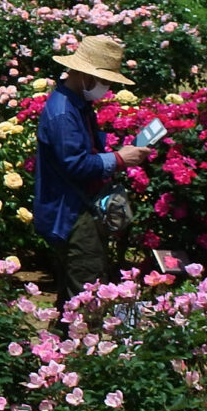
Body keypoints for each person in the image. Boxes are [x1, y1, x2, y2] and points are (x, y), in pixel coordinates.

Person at [33, 35, 150, 305]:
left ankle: (62, 343)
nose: (107, 88)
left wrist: (119, 152)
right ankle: (82, 344)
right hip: (71, 212)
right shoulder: (63, 112)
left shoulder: (78, 105)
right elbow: (75, 164)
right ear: (85, 76)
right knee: (88, 290)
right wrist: (119, 159)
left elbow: (88, 150)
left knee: (74, 292)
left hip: (78, 206)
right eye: (105, 81)